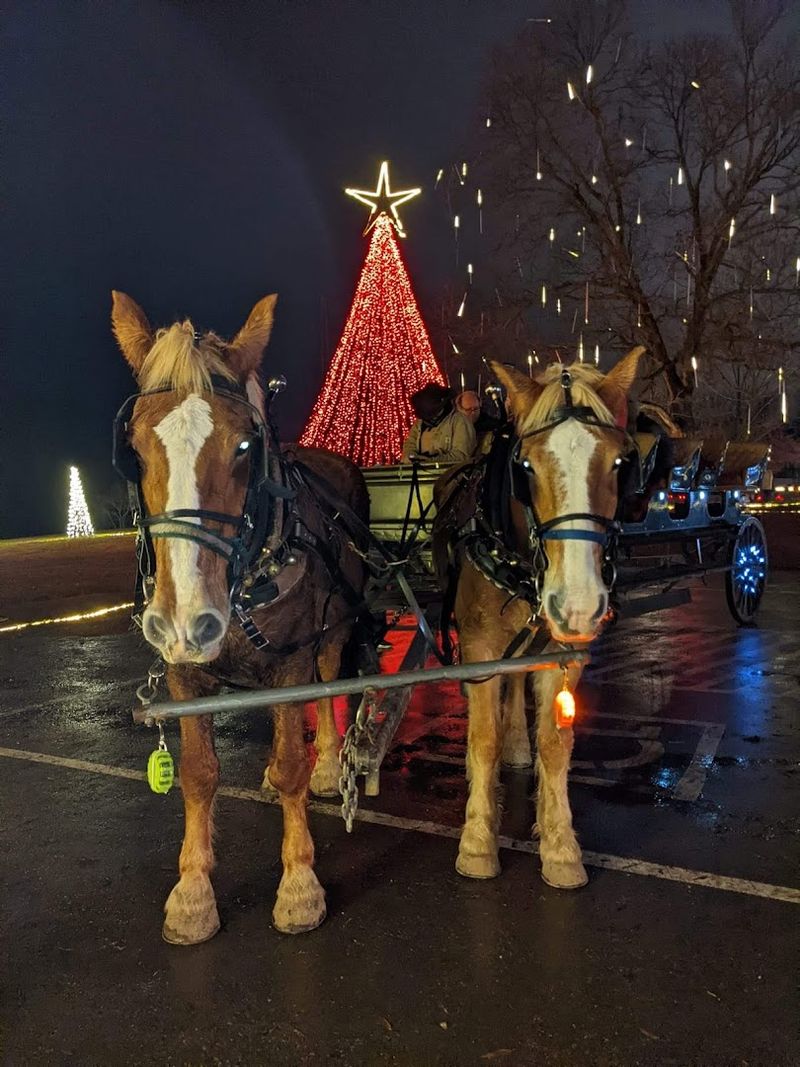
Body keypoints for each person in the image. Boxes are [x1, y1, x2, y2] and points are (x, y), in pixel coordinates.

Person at [401, 382, 476, 465]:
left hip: (449, 476)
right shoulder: (419, 424)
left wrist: (430, 461)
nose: (431, 417)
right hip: (420, 474)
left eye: (434, 413)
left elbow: (461, 456)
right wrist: (411, 458)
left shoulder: (460, 422)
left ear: (443, 406)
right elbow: (409, 446)